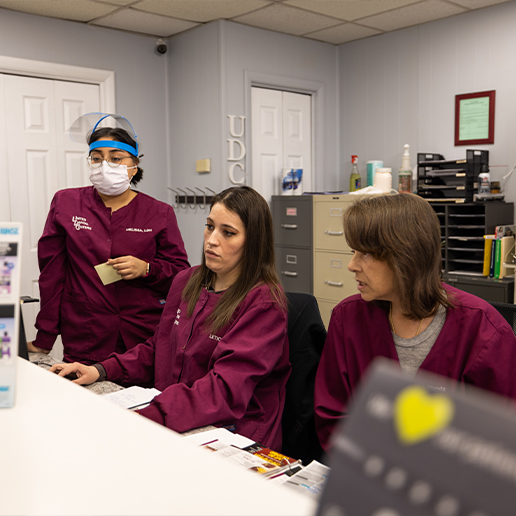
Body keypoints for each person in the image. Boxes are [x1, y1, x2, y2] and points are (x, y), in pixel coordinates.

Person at [50, 186, 291, 449]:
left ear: (254, 242)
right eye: (210, 227)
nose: (211, 240)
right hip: (174, 417)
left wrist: (149, 416)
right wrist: (99, 369)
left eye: (228, 233)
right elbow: (158, 349)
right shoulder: (189, 280)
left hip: (232, 434)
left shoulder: (264, 303)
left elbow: (223, 392)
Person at [314, 193, 516, 451]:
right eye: (352, 251)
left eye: (365, 254)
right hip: (364, 473)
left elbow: (501, 440)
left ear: (405, 256)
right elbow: (333, 416)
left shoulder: (486, 331)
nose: (351, 265)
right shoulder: (347, 318)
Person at [28, 113, 190, 364]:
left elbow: (181, 274)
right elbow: (52, 273)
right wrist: (44, 337)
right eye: (97, 158)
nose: (105, 165)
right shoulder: (67, 203)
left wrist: (146, 268)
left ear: (134, 165)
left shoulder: (159, 212)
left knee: (138, 401)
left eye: (115, 158)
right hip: (87, 330)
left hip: (142, 334)